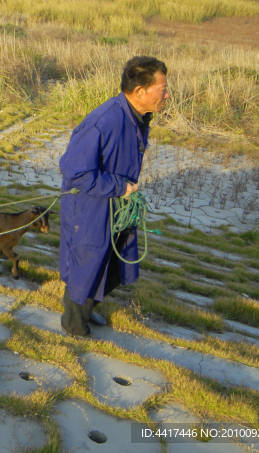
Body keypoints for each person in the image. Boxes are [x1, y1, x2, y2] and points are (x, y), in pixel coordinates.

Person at [57, 55, 169, 337]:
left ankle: (84, 308)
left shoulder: (135, 117)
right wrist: (119, 187)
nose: (167, 94)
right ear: (140, 91)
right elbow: (74, 170)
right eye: (162, 89)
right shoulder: (103, 122)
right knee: (88, 262)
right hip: (90, 205)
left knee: (112, 262)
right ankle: (73, 322)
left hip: (115, 205)